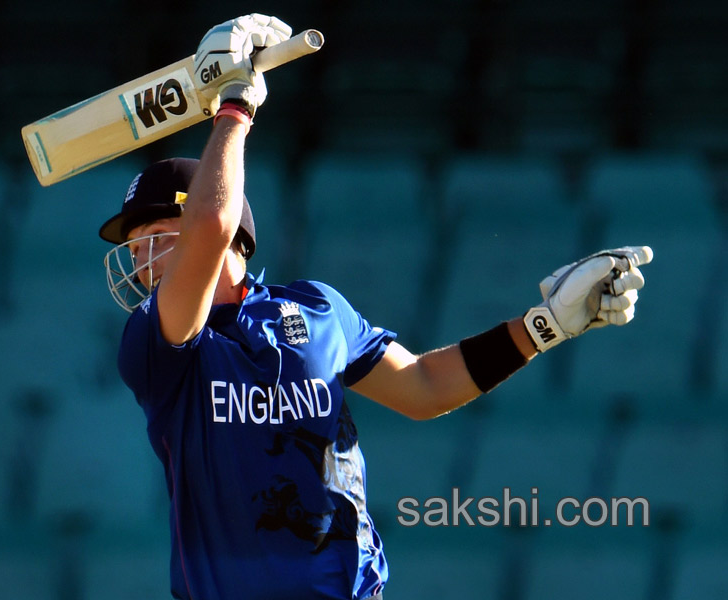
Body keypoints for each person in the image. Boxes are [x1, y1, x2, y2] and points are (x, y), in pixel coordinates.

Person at [97, 14, 653, 600]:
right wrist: (234, 105)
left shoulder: (316, 309)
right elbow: (210, 224)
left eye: (151, 239)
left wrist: (543, 328)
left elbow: (424, 385)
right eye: (134, 251)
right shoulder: (158, 345)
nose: (140, 265)